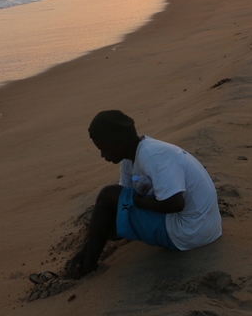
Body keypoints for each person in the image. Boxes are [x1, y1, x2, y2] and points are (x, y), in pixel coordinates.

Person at [66, 110, 222, 279]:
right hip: (200, 226)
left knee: (106, 195)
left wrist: (139, 202)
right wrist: (85, 247)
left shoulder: (153, 156)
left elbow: (176, 204)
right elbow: (117, 205)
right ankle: (87, 255)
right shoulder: (130, 156)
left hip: (191, 231)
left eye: (104, 149)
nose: (102, 155)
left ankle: (86, 267)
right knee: (109, 215)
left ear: (118, 143)